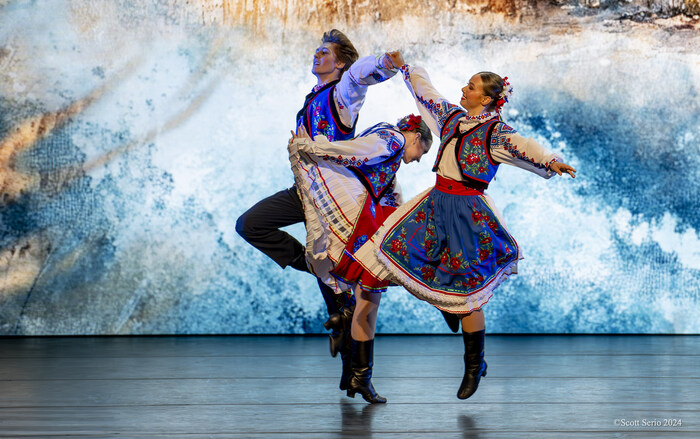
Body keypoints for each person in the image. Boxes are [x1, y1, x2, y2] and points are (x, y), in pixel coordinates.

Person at [354, 52, 577, 400]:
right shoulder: (451, 119)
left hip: (466, 213)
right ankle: (434, 309)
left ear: (486, 98)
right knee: (391, 255)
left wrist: (552, 161)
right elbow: (428, 94)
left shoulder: (496, 132)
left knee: (468, 294)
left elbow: (524, 147)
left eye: (470, 86)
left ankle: (475, 365)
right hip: (434, 203)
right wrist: (408, 68)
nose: (464, 88)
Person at [235, 30, 397, 377]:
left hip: (331, 199)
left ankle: (357, 374)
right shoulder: (314, 97)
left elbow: (360, 75)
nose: (317, 55)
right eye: (317, 51)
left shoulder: (342, 94)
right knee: (251, 225)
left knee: (338, 294)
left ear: (339, 63)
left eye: (324, 52)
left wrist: (384, 63)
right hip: (303, 192)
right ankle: (319, 277)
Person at [289, 114, 433, 403]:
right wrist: (314, 148)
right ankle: (359, 375)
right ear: (416, 137)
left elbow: (387, 187)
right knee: (367, 303)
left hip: (366, 222)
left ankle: (357, 376)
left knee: (366, 305)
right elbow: (355, 151)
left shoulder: (389, 144)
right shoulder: (391, 139)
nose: (418, 159)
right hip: (360, 224)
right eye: (423, 152)